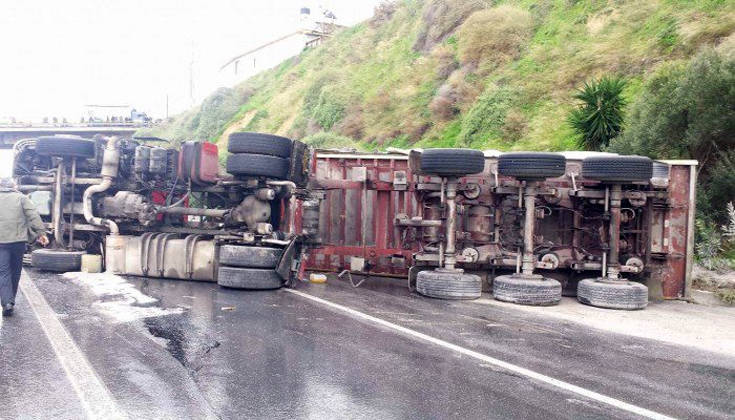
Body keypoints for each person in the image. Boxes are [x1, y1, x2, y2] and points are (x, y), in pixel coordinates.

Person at [0, 178, 48, 316]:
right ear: (13, 186)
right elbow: (33, 216)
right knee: (15, 271)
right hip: (18, 241)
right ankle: (11, 300)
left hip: (1, 242)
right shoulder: (21, 198)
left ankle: (7, 302)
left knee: (3, 272)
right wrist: (41, 233)